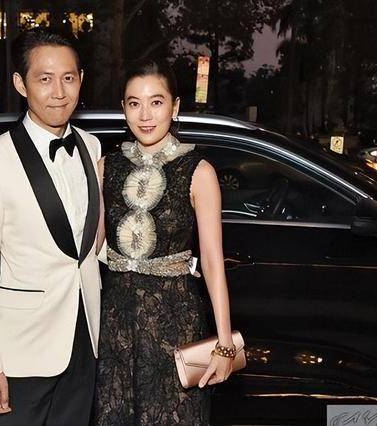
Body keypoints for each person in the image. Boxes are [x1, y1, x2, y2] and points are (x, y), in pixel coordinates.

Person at [0, 28, 102, 425]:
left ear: (81, 80)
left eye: (68, 78)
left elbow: (88, 243)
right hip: (21, 350)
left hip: (84, 338)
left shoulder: (90, 146)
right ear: (21, 84)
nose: (59, 92)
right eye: (45, 79)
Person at [94, 59, 236, 425]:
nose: (145, 115)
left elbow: (212, 260)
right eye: (134, 103)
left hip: (173, 322)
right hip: (116, 323)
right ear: (123, 108)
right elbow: (91, 249)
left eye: (156, 102)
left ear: (175, 107)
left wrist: (224, 344)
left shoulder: (199, 171)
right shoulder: (106, 167)